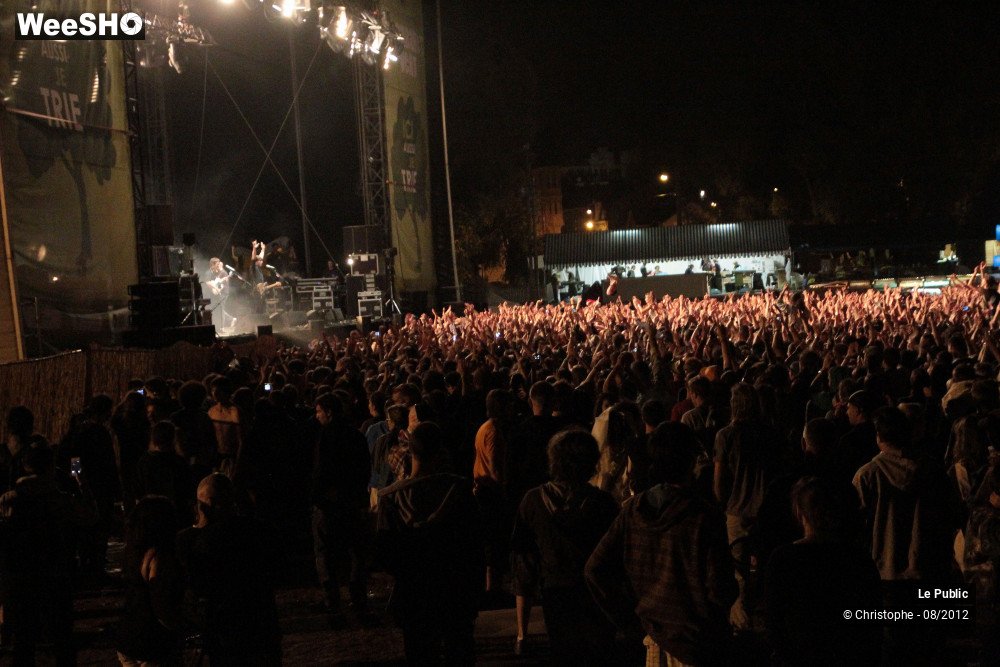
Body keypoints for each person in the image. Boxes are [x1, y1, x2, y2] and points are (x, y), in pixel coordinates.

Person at [586, 422, 737, 665]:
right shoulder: (703, 517)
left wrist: (629, 617)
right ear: (690, 460)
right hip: (695, 644)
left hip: (653, 639)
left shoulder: (634, 510)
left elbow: (595, 569)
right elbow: (720, 587)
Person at [376, 423, 483, 665]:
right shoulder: (460, 491)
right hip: (455, 588)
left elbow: (385, 554)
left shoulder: (391, 498)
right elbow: (474, 544)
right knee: (460, 652)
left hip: (414, 592)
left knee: (420, 654)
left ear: (410, 452)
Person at [509, 429, 619, 662]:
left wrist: (522, 628)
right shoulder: (603, 504)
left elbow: (524, 558)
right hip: (596, 595)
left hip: (555, 592)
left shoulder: (533, 500)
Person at [764, 477, 882, 666]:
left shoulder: (783, 558)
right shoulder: (856, 558)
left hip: (799, 655)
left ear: (799, 512)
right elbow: (871, 616)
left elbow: (774, 619)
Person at [0, 442, 95, 666]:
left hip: (21, 577)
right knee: (62, 640)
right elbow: (90, 516)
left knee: (24, 642)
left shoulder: (8, 500)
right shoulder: (60, 501)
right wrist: (82, 483)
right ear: (51, 467)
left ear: (25, 466)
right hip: (55, 575)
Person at [176, 473, 282, 665]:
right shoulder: (261, 530)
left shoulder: (196, 540)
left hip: (225, 629)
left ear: (204, 505)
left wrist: (200, 525)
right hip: (263, 623)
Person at [311, 393, 371, 619]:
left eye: (318, 412)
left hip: (329, 505)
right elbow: (365, 468)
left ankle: (332, 600)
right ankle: (358, 595)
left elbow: (320, 470)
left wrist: (318, 497)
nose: (316, 417)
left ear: (329, 412)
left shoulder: (325, 436)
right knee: (355, 551)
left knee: (326, 553)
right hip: (352, 502)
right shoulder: (356, 435)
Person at [115, 496, 185, 666]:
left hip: (129, 637)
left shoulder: (132, 552)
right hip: (152, 644)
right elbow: (161, 605)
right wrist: (179, 628)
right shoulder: (158, 557)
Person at [134, 421, 195, 525]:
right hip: (175, 517)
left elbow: (138, 493)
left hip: (151, 516)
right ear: (172, 439)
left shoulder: (144, 462)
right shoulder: (179, 463)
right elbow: (188, 492)